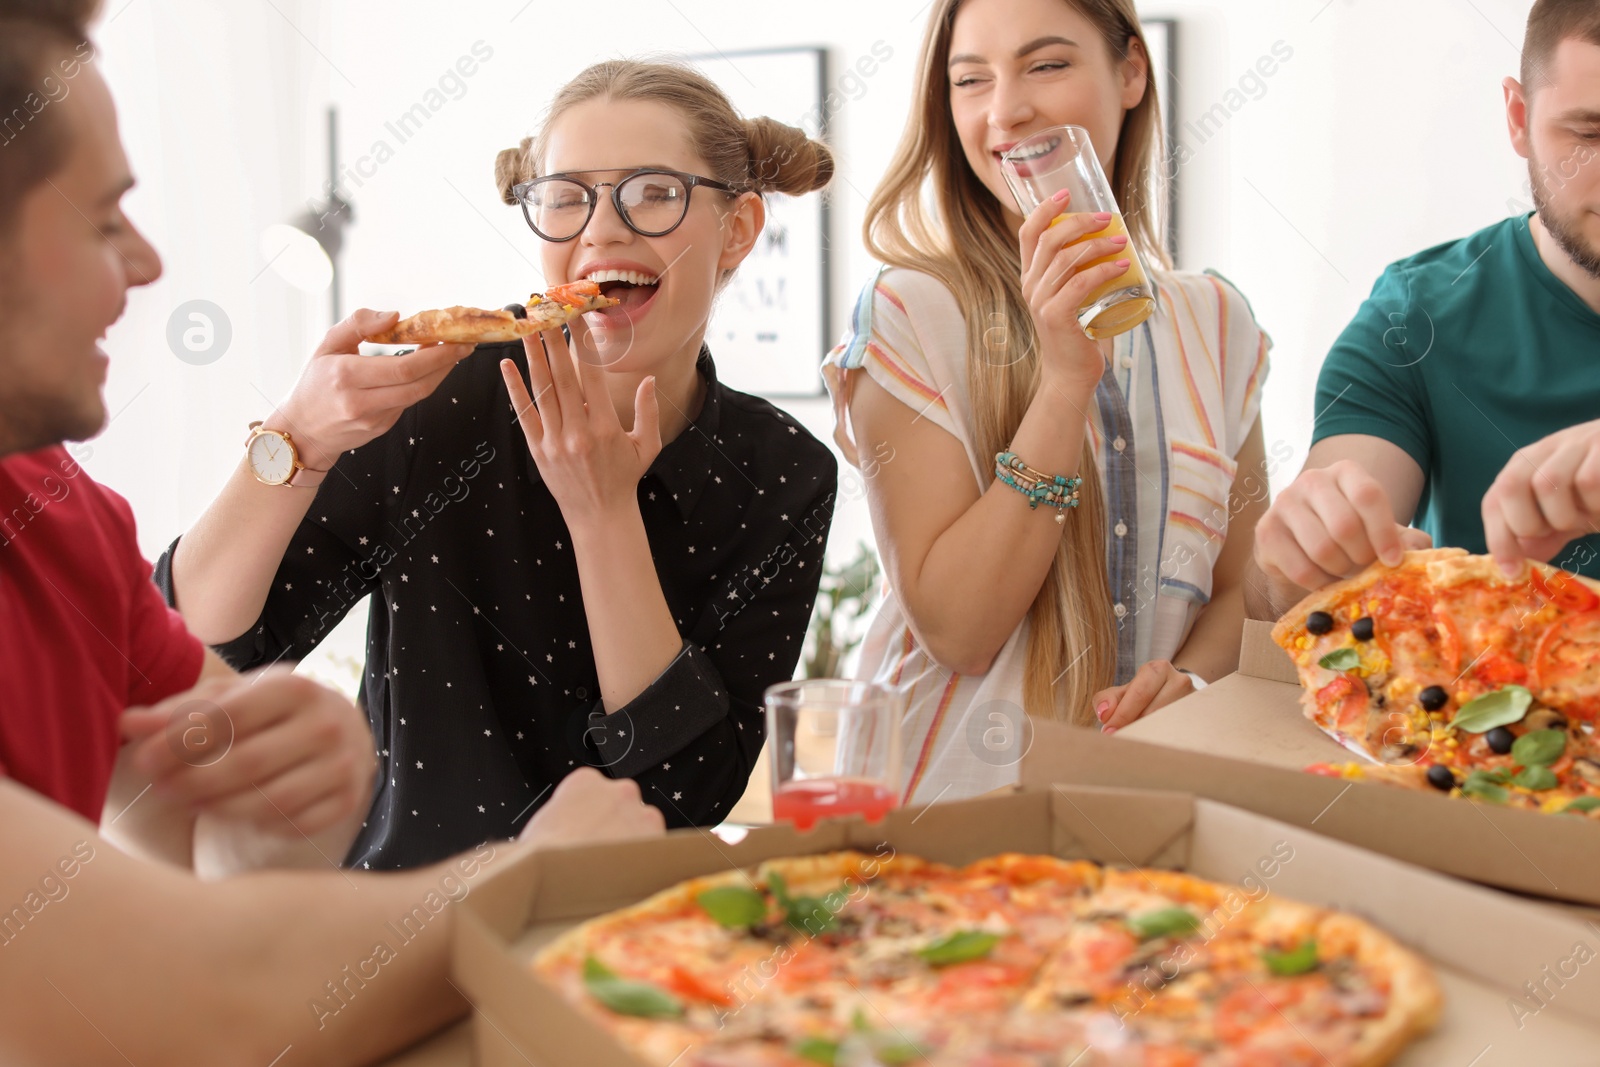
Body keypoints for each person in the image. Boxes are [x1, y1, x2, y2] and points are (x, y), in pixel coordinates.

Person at [0, 3, 664, 1062]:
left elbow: (184, 814)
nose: (150, 263)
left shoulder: (64, 508)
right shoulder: (430, 429)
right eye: (103, 219)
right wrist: (535, 877)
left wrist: (278, 800)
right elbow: (202, 1001)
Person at [158, 60, 840, 869]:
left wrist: (602, 512)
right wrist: (295, 441)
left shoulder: (784, 474)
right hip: (404, 938)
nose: (601, 230)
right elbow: (199, 652)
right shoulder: (436, 394)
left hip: (635, 943)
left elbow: (687, 793)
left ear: (739, 228)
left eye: (653, 192)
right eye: (566, 196)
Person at [825, 0, 1273, 803]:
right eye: (971, 80)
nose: (1005, 110)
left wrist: (1190, 685)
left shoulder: (1218, 322)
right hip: (940, 830)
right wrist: (1066, 382)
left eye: (1047, 64)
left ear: (1131, 72)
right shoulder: (910, 311)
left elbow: (1242, 586)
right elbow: (958, 629)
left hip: (1149, 815)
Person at [1248, 0, 1600, 619]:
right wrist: (1303, 554)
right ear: (1518, 118)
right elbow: (1304, 597)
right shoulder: (1415, 317)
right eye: (1590, 135)